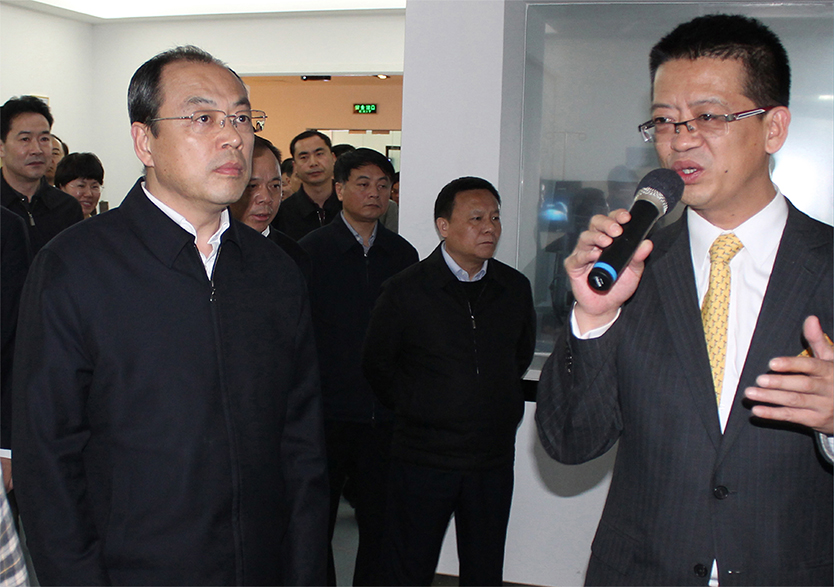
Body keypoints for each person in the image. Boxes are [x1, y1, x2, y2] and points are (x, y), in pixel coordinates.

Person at [12, 45, 328, 585]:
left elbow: (302, 450)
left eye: (241, 119)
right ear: (145, 141)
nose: (233, 137)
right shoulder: (76, 267)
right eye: (203, 118)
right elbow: (48, 462)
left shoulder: (275, 272)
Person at [535, 14, 832, 586]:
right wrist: (594, 319)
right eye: (664, 120)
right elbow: (570, 442)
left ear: (773, 128)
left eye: (709, 116)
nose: (681, 138)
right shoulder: (628, 271)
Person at [363, 176, 536, 586]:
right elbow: (378, 365)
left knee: (484, 568)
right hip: (423, 459)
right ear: (444, 226)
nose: (489, 227)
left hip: (491, 459)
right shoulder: (406, 290)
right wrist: (421, 406)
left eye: (494, 217)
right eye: (476, 218)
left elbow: (519, 355)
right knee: (409, 566)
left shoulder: (513, 288)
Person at [299, 148, 418, 586]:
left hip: (382, 418)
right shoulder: (311, 251)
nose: (374, 193)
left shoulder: (402, 254)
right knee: (316, 525)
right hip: (325, 416)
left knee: (381, 526)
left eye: (383, 185)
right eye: (363, 184)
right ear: (340, 189)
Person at [0, 96, 83, 255]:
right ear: (1, 147)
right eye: (25, 139)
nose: (37, 150)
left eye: (44, 139)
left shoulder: (67, 208)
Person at [229, 135, 311, 281]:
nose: (266, 198)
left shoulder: (293, 256)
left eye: (275, 186)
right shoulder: (203, 249)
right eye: (252, 186)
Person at [272, 130, 341, 240]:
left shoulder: (350, 206)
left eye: (319, 154)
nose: (313, 163)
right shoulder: (281, 214)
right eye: (304, 157)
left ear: (333, 158)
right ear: (295, 166)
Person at [55, 152, 105, 219]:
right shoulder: (48, 223)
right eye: (81, 186)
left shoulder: (102, 224)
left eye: (94, 187)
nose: (89, 194)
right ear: (61, 187)